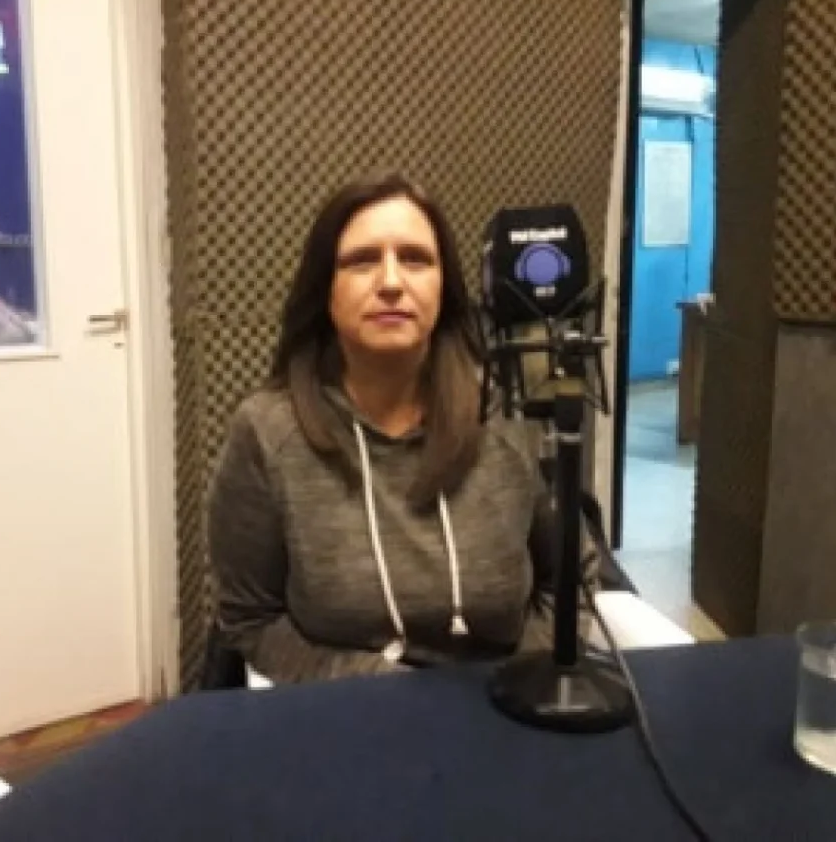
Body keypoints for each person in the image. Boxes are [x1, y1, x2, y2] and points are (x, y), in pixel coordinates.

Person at [207, 172, 597, 684]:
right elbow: (250, 619)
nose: (391, 282)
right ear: (325, 290)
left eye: (415, 259)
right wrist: (379, 688)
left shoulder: (510, 416)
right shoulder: (267, 432)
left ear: (444, 288)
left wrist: (517, 683)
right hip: (350, 711)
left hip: (504, 705)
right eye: (362, 260)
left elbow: (572, 581)